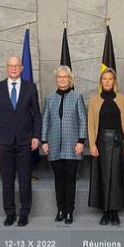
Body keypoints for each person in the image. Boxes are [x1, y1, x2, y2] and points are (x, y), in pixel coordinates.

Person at [0, 56, 41, 227]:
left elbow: (36, 115)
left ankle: (24, 213)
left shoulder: (30, 87)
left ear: (22, 68)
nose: (13, 68)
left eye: (16, 65)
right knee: (7, 178)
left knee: (25, 178)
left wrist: (36, 136)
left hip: (25, 141)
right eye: (10, 65)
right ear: (6, 68)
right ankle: (10, 213)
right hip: (4, 141)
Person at [41, 66, 87, 224]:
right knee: (58, 178)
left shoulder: (77, 96)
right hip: (54, 144)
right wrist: (44, 141)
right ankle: (60, 209)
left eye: (65, 77)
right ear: (56, 79)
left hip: (73, 145)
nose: (62, 79)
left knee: (70, 178)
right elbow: (45, 120)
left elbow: (83, 120)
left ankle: (69, 211)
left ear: (70, 79)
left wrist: (81, 141)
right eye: (59, 77)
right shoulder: (49, 98)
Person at [89, 68, 124, 225]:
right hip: (101, 143)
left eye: (110, 79)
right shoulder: (94, 100)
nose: (107, 81)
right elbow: (90, 124)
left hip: (118, 143)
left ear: (114, 81)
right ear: (101, 82)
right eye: (104, 79)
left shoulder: (121, 99)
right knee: (103, 177)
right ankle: (105, 212)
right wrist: (92, 145)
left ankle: (114, 212)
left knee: (116, 178)